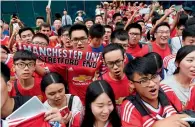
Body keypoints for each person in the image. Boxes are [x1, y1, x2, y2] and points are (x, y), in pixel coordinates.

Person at [121, 57, 190, 127]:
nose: (152, 84)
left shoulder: (167, 90)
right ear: (132, 84)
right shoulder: (130, 107)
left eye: (154, 76)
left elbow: (182, 115)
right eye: (144, 80)